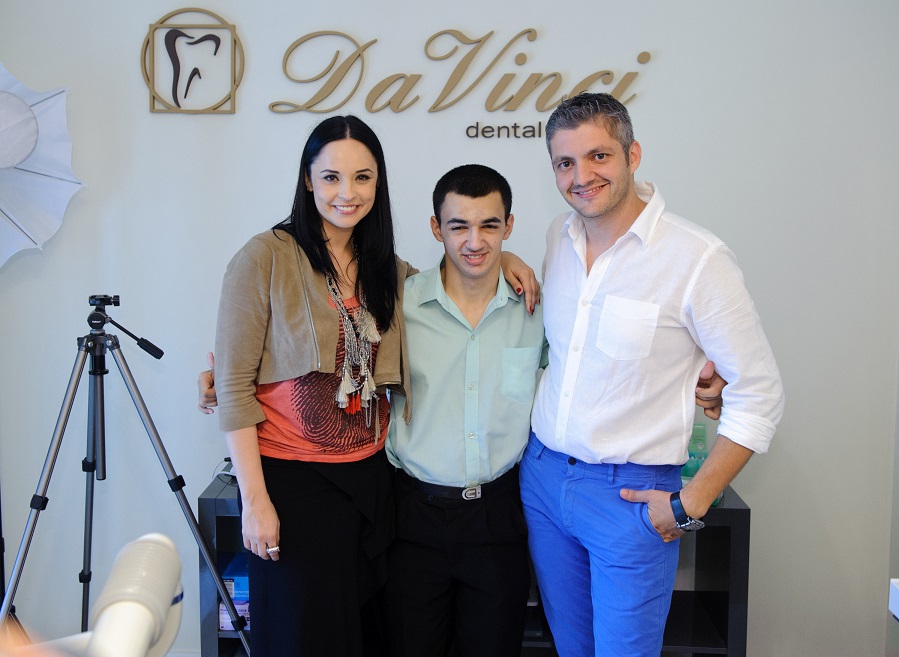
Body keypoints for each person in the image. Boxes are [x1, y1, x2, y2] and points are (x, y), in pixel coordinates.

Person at [211, 116, 539, 656]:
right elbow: (232, 383)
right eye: (331, 177)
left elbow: (462, 270)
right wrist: (255, 500)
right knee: (302, 637)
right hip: (294, 486)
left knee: (367, 637)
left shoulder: (386, 268)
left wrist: (507, 257)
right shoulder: (265, 257)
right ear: (308, 180)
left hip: (371, 483)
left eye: (362, 177)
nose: (348, 192)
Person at [519, 92, 785, 657]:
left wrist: (691, 503)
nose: (581, 176)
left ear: (633, 154)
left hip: (631, 496)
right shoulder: (556, 239)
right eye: (565, 162)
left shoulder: (697, 257)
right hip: (542, 480)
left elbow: (760, 393)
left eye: (598, 156)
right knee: (570, 649)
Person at [384, 165, 545, 657]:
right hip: (412, 516)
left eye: (489, 225)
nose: (475, 242)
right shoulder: (397, 305)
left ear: (509, 226)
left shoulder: (539, 309)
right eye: (459, 226)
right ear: (437, 229)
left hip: (498, 516)